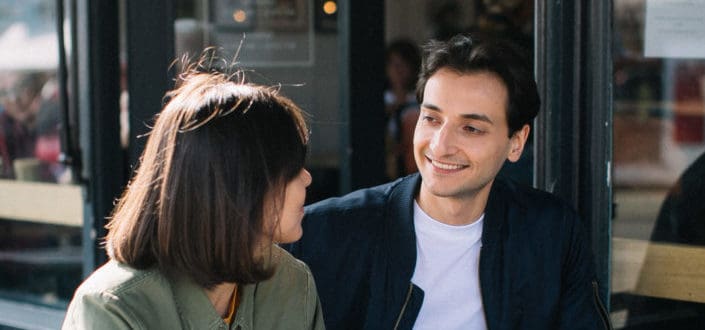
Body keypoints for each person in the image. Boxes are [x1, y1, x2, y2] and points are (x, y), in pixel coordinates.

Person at [289, 34, 611, 329]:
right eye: (431, 118)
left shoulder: (551, 235)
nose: (440, 145)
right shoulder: (326, 233)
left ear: (516, 142)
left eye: (471, 128)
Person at [62, 53, 324, 329]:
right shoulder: (112, 307)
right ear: (236, 186)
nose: (306, 178)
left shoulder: (292, 282)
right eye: (291, 168)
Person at [384, 39, 422, 179]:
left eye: (403, 65)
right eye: (393, 64)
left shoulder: (422, 99)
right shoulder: (380, 100)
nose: (397, 70)